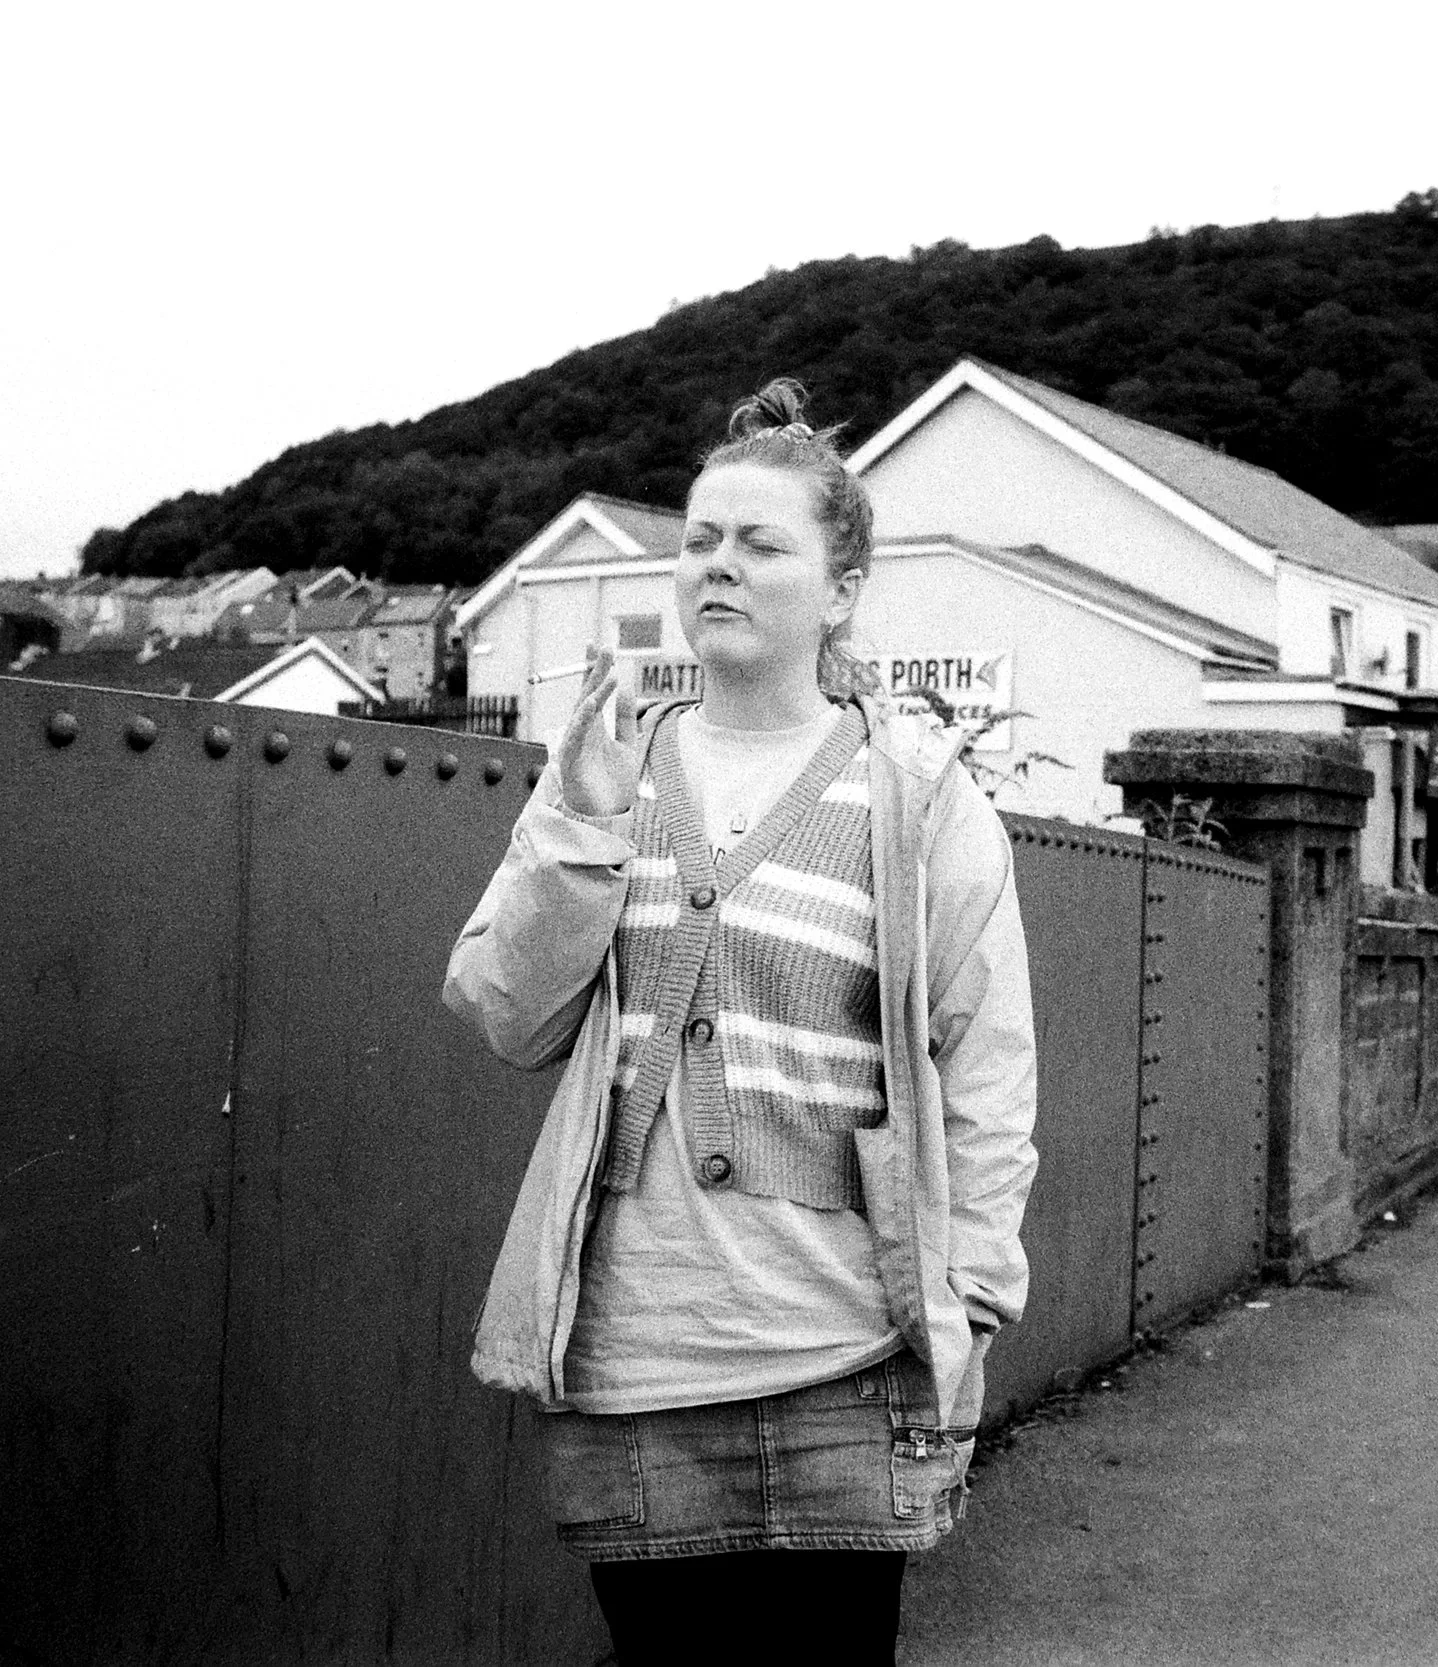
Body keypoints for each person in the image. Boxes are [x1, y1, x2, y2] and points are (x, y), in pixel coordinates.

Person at [444, 379, 1038, 1665]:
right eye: (700, 539)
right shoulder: (610, 766)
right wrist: (580, 827)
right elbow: (505, 1010)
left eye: (760, 542)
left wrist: (973, 1299)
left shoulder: (918, 795)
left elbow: (984, 1059)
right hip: (635, 1358)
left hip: (846, 1352)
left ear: (839, 588)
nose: (718, 563)